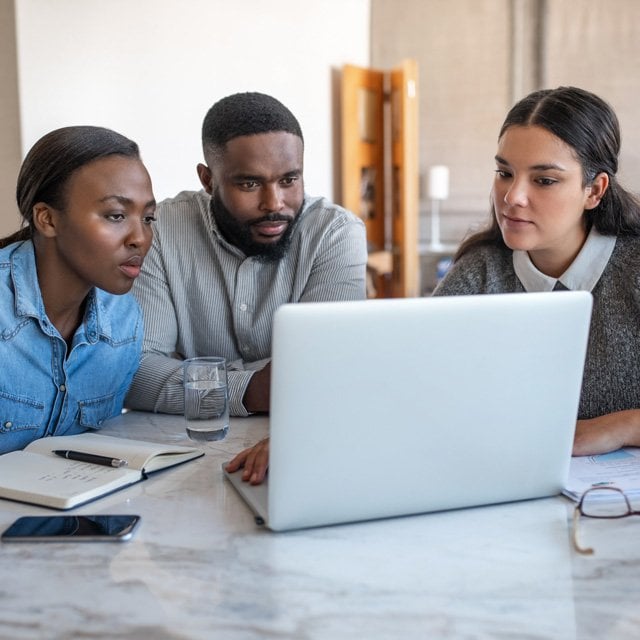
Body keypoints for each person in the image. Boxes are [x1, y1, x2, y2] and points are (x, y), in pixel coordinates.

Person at [126, 92, 367, 417]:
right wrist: (251, 389)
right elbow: (135, 374)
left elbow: (326, 372)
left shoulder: (334, 233)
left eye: (289, 180)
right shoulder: (162, 231)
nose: (274, 203)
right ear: (208, 180)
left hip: (301, 434)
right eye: (250, 184)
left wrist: (189, 381)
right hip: (184, 444)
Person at [432, 86, 640, 458]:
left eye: (544, 180)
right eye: (504, 173)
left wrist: (618, 427)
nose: (512, 197)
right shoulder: (475, 277)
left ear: (594, 190)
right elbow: (425, 401)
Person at [0, 126, 156, 454]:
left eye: (148, 218)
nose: (139, 238)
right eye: (116, 215)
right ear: (47, 219)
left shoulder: (123, 317)